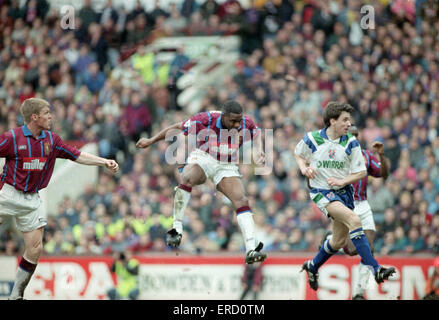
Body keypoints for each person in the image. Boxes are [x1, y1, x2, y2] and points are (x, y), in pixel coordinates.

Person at [0, 98, 119, 300]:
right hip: (7, 194)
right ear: (34, 117)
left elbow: (77, 155)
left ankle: (16, 295)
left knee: (35, 249)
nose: (50, 116)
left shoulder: (51, 140)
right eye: (46, 113)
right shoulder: (12, 138)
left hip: (32, 199)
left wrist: (103, 162)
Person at [136, 100, 267, 264]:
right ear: (223, 116)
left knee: (242, 200)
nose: (236, 125)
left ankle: (250, 249)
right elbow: (176, 127)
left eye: (238, 121)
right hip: (204, 157)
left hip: (226, 164)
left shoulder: (244, 122)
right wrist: (151, 140)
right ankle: (177, 228)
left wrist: (260, 150)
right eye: (232, 121)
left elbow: (257, 132)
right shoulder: (205, 119)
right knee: (187, 177)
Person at [294, 101, 395, 291]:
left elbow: (361, 172)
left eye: (349, 120)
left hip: (344, 194)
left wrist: (343, 181)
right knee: (354, 220)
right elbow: (298, 154)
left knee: (338, 241)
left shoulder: (351, 142)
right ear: (332, 121)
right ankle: (376, 269)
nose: (349, 124)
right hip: (322, 193)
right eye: (345, 120)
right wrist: (303, 168)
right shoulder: (313, 138)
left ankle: (312, 266)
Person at [347, 125, 390, 299]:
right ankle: (332, 239)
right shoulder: (337, 155)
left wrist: (381, 155)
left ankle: (358, 291)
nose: (355, 138)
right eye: (351, 135)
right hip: (346, 206)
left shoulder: (366, 155)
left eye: (357, 135)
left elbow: (383, 174)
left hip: (363, 204)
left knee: (369, 248)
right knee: (351, 250)